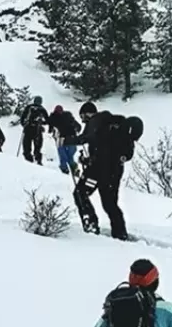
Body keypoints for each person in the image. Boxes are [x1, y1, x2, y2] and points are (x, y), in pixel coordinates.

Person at [62, 101, 143, 240]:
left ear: (87, 113)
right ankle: (120, 233)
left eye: (82, 117)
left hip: (98, 170)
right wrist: (87, 160)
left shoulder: (96, 121)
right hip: (115, 170)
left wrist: (65, 141)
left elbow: (84, 139)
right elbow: (105, 149)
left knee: (80, 193)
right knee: (110, 203)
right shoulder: (112, 124)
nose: (82, 121)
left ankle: (91, 225)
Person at [47, 105, 81, 176]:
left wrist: (77, 127)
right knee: (67, 155)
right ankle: (71, 167)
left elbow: (50, 129)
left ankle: (66, 168)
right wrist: (77, 128)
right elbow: (77, 125)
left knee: (65, 155)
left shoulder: (56, 117)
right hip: (67, 137)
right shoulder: (66, 116)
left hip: (65, 137)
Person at [19, 95, 49, 165]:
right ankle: (38, 160)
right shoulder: (42, 109)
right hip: (37, 130)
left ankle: (28, 160)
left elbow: (22, 118)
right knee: (38, 147)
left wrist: (24, 125)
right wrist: (42, 123)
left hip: (28, 129)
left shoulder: (29, 107)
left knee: (26, 146)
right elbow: (47, 120)